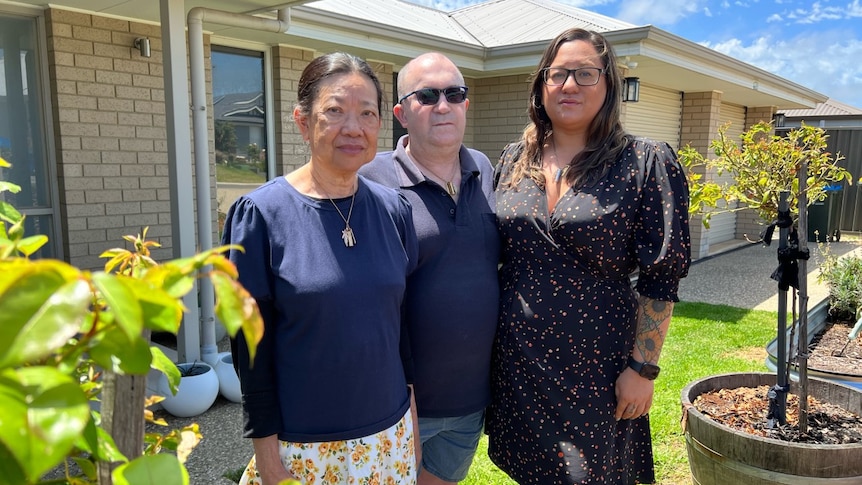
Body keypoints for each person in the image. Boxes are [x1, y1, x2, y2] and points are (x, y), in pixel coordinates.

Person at [485, 28, 691, 484]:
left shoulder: (643, 162)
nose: (570, 85)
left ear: (609, 84)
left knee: (588, 474)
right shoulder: (514, 159)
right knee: (530, 470)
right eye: (557, 74)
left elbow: (661, 278)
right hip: (519, 360)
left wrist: (643, 369)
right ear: (541, 86)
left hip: (597, 366)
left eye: (585, 73)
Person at [222, 52, 420, 485]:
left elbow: (397, 326)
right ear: (302, 121)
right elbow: (249, 352)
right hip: (305, 448)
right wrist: (268, 458)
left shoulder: (394, 210)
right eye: (335, 111)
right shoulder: (259, 215)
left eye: (367, 113)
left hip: (389, 435)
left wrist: (412, 423)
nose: (354, 127)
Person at [360, 52, 500, 484]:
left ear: (465, 104)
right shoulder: (370, 180)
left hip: (470, 400)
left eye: (454, 94)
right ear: (401, 113)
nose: (443, 105)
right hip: (397, 403)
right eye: (427, 95)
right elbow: (367, 301)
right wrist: (403, 396)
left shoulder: (484, 168)